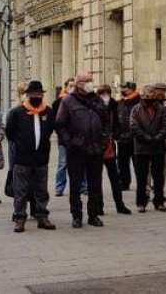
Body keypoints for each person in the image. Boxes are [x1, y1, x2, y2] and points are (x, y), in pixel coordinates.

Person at [56, 73, 108, 228]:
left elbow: (106, 120)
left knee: (95, 184)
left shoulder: (96, 99)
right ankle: (76, 215)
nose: (90, 84)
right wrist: (69, 142)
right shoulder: (68, 101)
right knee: (76, 185)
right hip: (76, 150)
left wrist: (104, 139)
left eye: (91, 81)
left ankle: (93, 215)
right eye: (87, 81)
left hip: (95, 149)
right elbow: (60, 124)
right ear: (78, 83)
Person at [4, 81, 57, 232]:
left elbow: (52, 129)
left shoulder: (48, 111)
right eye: (33, 94)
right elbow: (10, 133)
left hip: (41, 159)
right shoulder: (17, 112)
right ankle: (20, 218)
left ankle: (42, 217)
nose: (36, 97)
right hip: (22, 159)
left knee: (41, 190)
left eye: (39, 94)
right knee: (20, 192)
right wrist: (21, 145)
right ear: (27, 95)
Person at [130, 83, 166, 213]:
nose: (149, 97)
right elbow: (134, 126)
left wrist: (158, 137)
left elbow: (165, 125)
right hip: (141, 148)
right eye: (147, 95)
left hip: (158, 147)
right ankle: (141, 202)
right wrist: (147, 138)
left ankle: (159, 201)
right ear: (142, 95)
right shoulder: (135, 109)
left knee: (159, 177)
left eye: (152, 95)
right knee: (141, 178)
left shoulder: (161, 109)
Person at [95, 84, 131, 215]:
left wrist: (118, 135)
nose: (105, 96)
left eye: (106, 93)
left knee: (115, 178)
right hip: (97, 147)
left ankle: (120, 205)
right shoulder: (94, 107)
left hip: (110, 145)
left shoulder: (114, 106)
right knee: (97, 179)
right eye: (102, 93)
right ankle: (99, 206)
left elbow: (117, 124)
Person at [52, 77, 76, 197]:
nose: (72, 88)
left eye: (74, 85)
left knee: (80, 163)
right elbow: (56, 122)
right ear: (65, 87)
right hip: (64, 139)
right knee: (63, 163)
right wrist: (62, 135)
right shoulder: (58, 102)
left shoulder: (79, 100)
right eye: (70, 85)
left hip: (78, 138)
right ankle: (59, 187)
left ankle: (83, 186)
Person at [114, 82, 140, 191]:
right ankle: (124, 183)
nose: (122, 90)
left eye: (125, 88)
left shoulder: (139, 101)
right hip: (122, 138)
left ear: (132, 89)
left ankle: (141, 184)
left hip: (135, 138)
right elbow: (116, 119)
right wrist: (117, 134)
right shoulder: (120, 102)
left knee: (138, 164)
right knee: (122, 163)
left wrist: (132, 133)